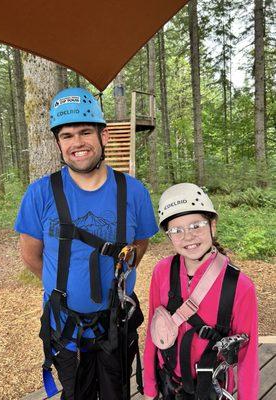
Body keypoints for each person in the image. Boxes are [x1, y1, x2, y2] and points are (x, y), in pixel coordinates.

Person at [15, 87, 158, 400]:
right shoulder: (40, 194)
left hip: (116, 324)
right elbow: (30, 256)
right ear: (58, 143)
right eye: (66, 135)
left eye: (85, 132)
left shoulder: (133, 192)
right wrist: (64, 286)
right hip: (66, 327)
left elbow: (141, 243)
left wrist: (121, 275)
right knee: (76, 393)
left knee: (115, 393)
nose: (76, 143)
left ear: (103, 137)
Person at [143, 183, 259, 400]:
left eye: (196, 225)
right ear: (169, 235)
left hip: (214, 388)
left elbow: (247, 355)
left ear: (212, 226)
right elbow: (153, 328)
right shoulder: (162, 271)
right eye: (177, 230)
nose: (188, 237)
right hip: (169, 383)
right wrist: (150, 388)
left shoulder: (239, 286)